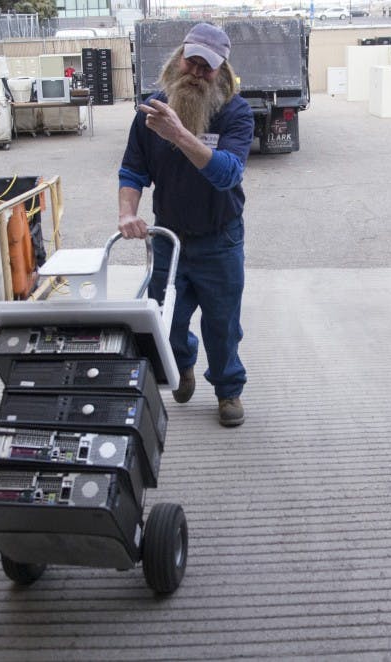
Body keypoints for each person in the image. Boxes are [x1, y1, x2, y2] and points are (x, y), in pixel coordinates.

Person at [117, 22, 254, 427]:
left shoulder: (235, 113)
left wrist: (179, 134)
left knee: (222, 324)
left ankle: (228, 390)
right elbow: (132, 169)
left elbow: (228, 173)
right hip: (170, 240)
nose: (196, 73)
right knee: (165, 317)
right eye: (191, 62)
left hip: (220, 239)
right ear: (178, 59)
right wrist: (127, 212)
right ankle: (181, 364)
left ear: (222, 70)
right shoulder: (151, 111)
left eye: (207, 67)